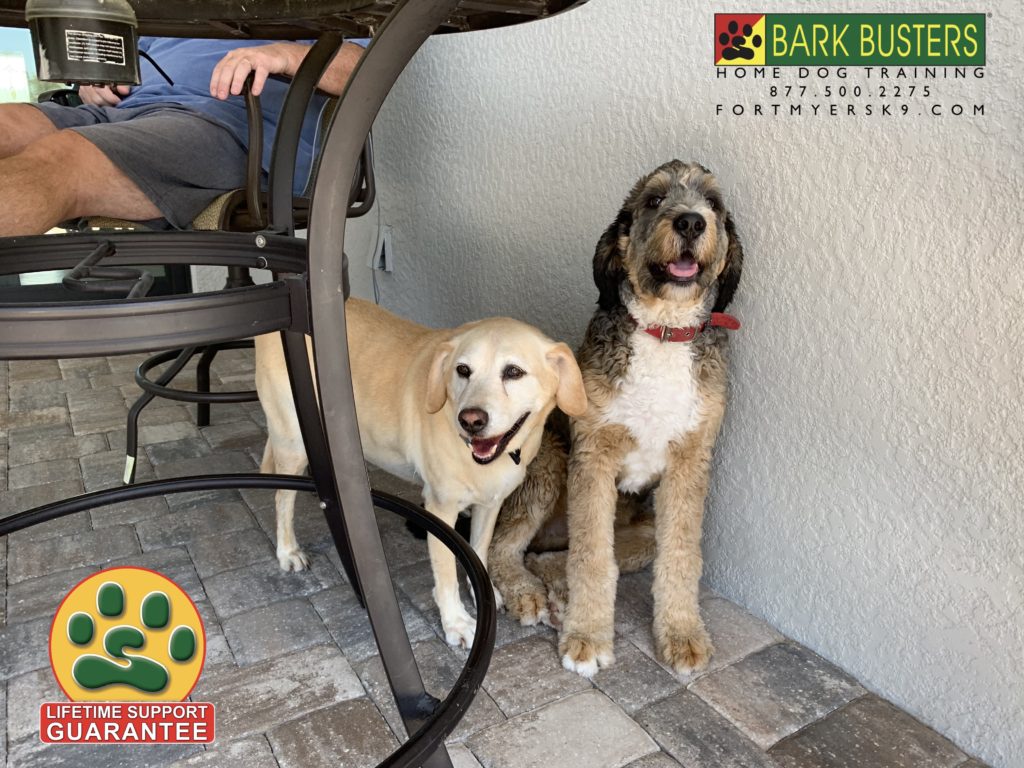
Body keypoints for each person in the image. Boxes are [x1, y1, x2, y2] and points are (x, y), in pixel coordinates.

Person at [0, 37, 367, 237]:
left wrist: (284, 54)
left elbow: (363, 66)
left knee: (64, 161)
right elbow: (122, 55)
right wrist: (94, 82)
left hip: (230, 125)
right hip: (126, 112)